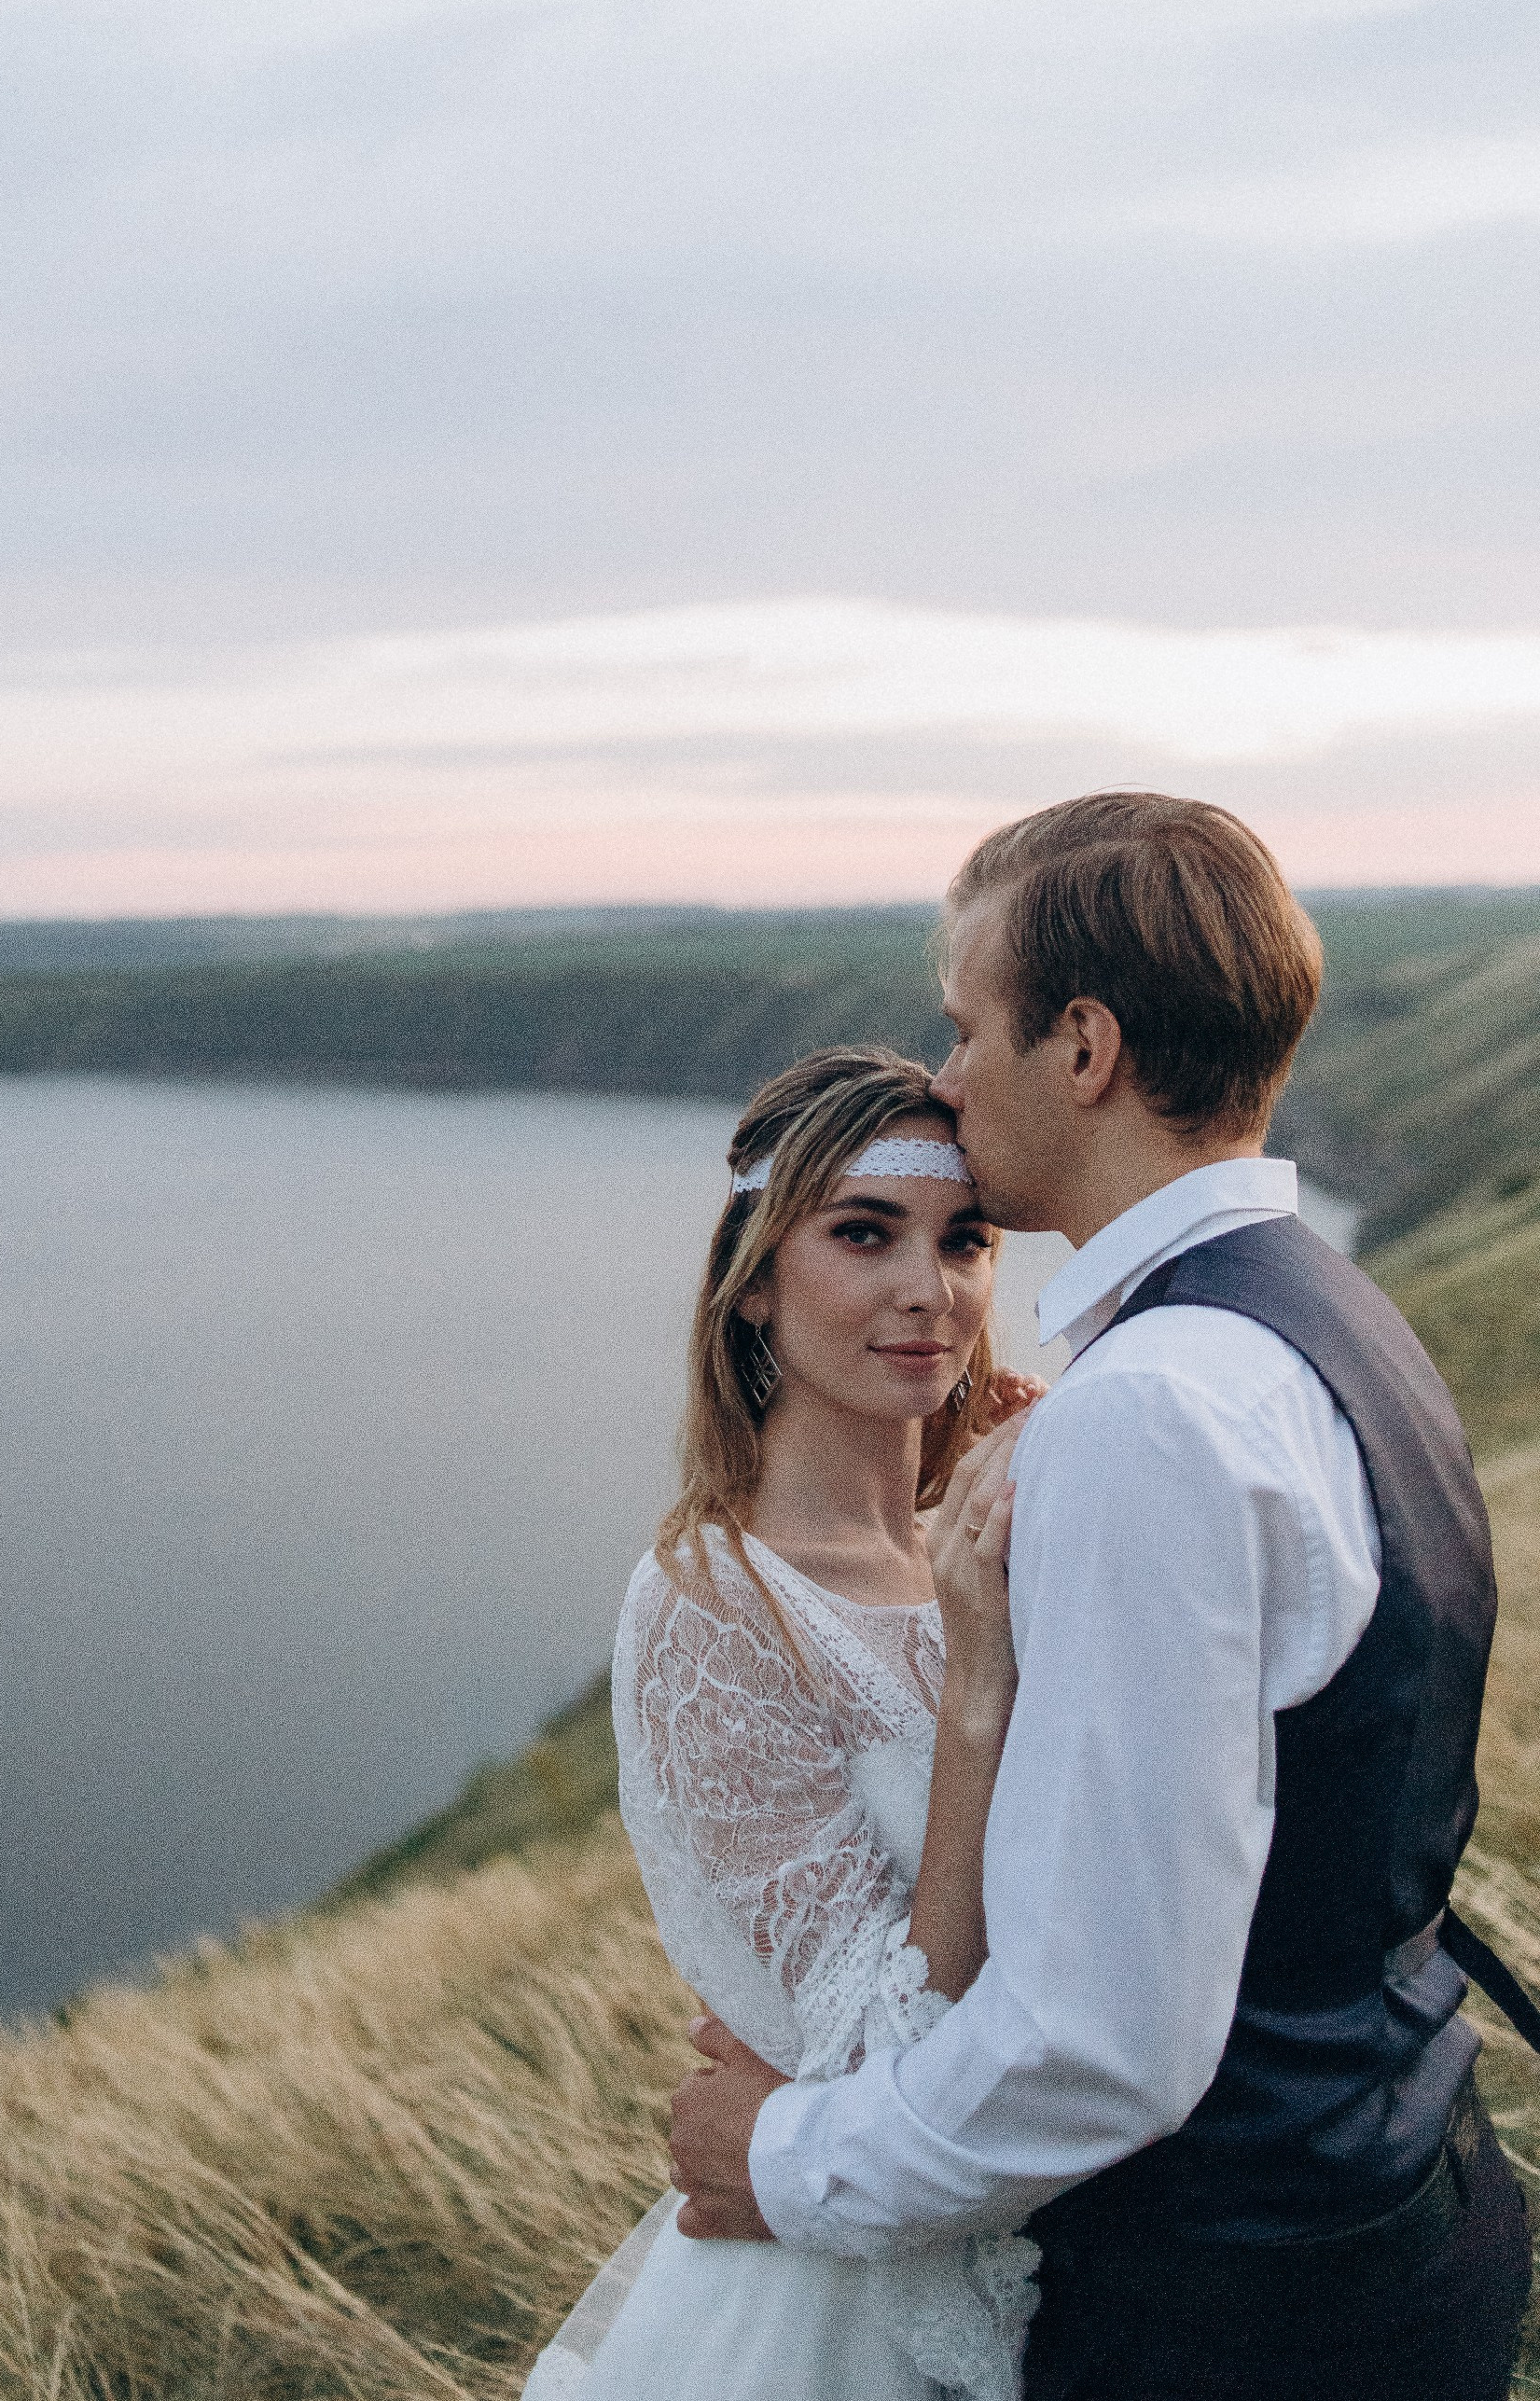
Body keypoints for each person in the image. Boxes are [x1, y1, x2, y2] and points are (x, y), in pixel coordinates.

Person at [670, 792, 1533, 2401]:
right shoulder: (1328, 1319)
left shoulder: (1153, 1410)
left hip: (1240, 2316)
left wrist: (783, 2159)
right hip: (1406, 2208)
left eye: (966, 1020)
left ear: (1083, 1045)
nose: (944, 1074)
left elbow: (1104, 2040)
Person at [521, 1044, 1048, 2400]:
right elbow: (877, 2051)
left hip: (1060, 2224)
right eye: (863, 1236)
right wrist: (980, 1689)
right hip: (840, 2311)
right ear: (754, 1280)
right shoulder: (714, 1606)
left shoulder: (986, 1535)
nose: (928, 1290)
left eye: (965, 1239)